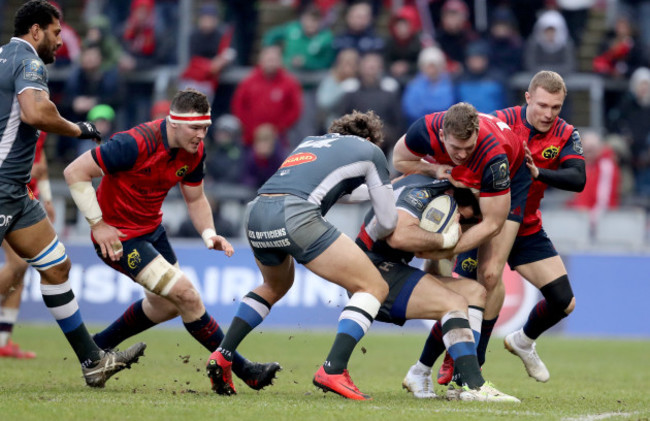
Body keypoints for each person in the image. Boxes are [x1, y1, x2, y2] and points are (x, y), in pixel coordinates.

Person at [63, 88, 281, 391]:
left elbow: (195, 199)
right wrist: (98, 226)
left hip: (152, 231)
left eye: (205, 127)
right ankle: (245, 370)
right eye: (195, 127)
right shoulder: (133, 143)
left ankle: (96, 349)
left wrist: (208, 233)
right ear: (173, 123)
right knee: (187, 296)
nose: (201, 135)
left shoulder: (195, 150)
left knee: (165, 306)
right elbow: (74, 172)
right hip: (119, 238)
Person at [0, 0, 145, 387]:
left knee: (56, 266)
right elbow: (34, 113)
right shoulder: (29, 62)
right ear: (35, 31)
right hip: (1, 186)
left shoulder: (2, 57)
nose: (61, 42)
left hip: (15, 192)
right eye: (56, 32)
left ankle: (92, 361)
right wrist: (79, 129)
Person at [206, 110, 398, 400]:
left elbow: (334, 189)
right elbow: (387, 221)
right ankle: (333, 369)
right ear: (370, 139)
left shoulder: (310, 142)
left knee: (274, 285)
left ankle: (223, 354)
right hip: (295, 215)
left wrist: (375, 191)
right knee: (373, 286)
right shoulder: (371, 151)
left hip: (257, 210)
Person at [424, 71, 586, 386]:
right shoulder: (500, 122)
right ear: (527, 98)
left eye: (555, 107)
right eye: (542, 105)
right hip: (487, 223)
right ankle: (433, 366)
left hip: (525, 227)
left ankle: (523, 341)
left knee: (564, 301)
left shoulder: (566, 134)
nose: (548, 114)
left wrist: (539, 174)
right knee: (472, 291)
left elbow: (578, 179)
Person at [392, 102, 530, 390]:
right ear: (442, 136)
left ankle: (469, 367)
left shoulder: (493, 154)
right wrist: (433, 168)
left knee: (489, 276)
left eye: (469, 147)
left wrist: (447, 247)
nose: (463, 154)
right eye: (456, 148)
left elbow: (493, 223)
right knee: (444, 280)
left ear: (477, 132)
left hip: (506, 186)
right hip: (462, 182)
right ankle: (422, 370)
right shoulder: (425, 130)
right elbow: (399, 160)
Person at [356, 173, 519, 402]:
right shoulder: (429, 195)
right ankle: (473, 384)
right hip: (375, 272)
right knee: (453, 302)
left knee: (474, 292)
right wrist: (446, 241)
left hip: (390, 268)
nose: (466, 223)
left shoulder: (432, 189)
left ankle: (433, 375)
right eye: (469, 217)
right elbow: (402, 239)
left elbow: (429, 262)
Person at [0, 131, 52, 359]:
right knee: (18, 263)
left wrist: (47, 197)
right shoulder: (10, 112)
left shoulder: (37, 113)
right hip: (5, 192)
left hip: (26, 196)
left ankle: (2, 340)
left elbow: (40, 156)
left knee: (21, 267)